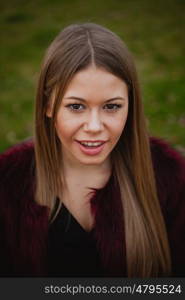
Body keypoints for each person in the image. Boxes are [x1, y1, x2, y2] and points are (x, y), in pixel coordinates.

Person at [0, 23, 185, 278]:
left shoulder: (170, 177)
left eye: (111, 106)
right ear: (48, 106)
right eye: (76, 107)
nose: (95, 126)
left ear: (130, 104)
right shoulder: (7, 184)